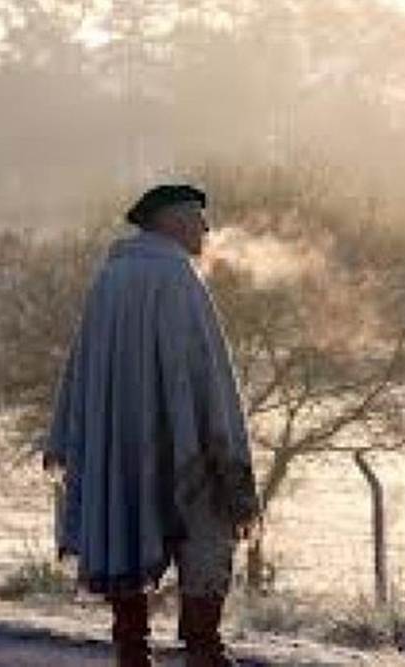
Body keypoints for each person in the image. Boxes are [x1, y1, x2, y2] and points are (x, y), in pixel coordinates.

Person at [44, 184, 260, 667]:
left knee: (125, 524)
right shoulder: (180, 278)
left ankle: (132, 651)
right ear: (172, 222)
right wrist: (222, 447)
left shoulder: (109, 279)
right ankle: (205, 651)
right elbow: (207, 373)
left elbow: (78, 369)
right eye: (198, 219)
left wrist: (68, 436)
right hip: (187, 448)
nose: (206, 230)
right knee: (208, 532)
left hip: (120, 446)